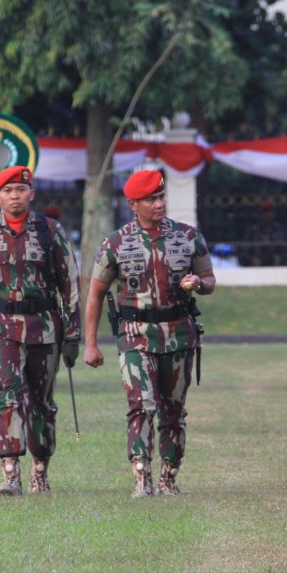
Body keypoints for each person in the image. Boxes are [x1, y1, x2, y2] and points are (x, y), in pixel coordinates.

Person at [83, 170, 216, 497]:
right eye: (150, 199)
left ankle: (168, 477)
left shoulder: (188, 237)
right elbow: (95, 295)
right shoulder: (115, 243)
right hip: (135, 336)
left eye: (161, 197)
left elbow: (210, 279)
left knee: (174, 411)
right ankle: (141, 476)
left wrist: (199, 283)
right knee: (141, 404)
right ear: (133, 204)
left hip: (178, 335)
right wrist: (91, 345)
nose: (159, 204)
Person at [0, 166, 80, 496]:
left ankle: (40, 469)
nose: (15, 196)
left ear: (31, 194)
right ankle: (10, 473)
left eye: (21, 190)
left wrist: (72, 334)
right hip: (0, 325)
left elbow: (70, 283)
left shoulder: (49, 231)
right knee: (7, 396)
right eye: (8, 191)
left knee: (41, 403)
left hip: (44, 326)